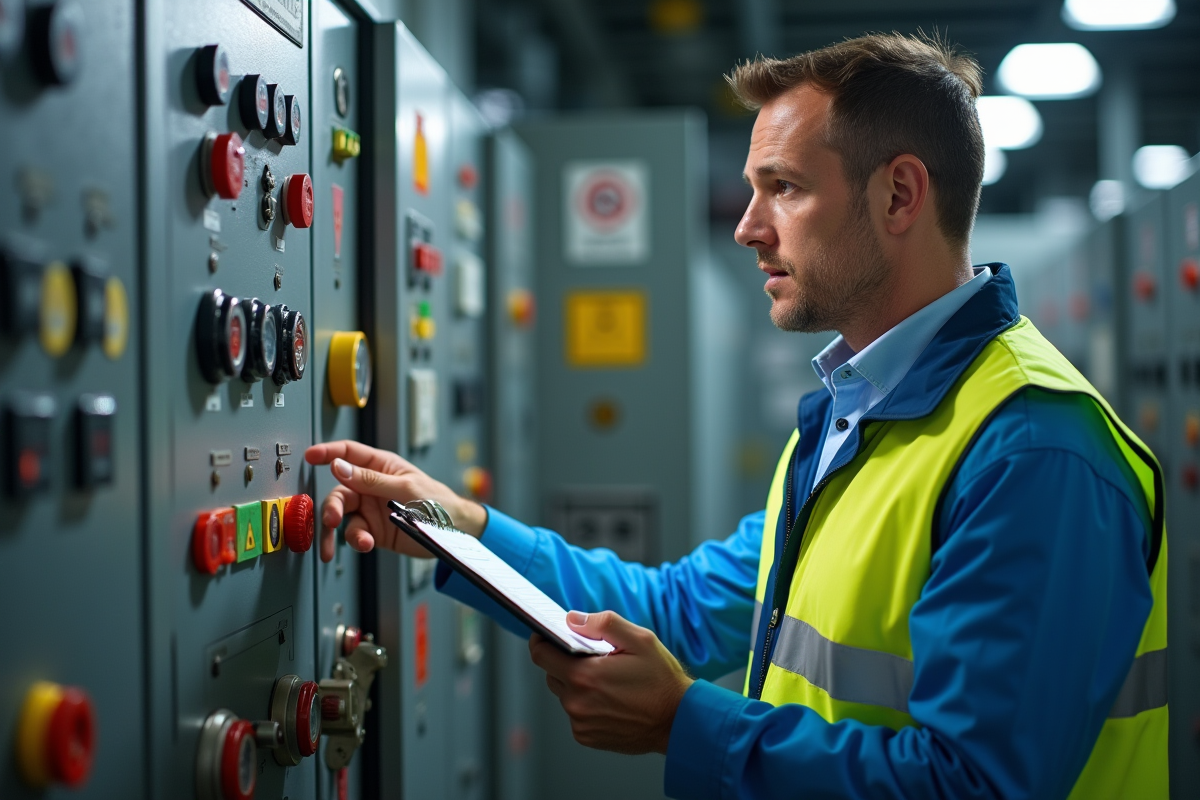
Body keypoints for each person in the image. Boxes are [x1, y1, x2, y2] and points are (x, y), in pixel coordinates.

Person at [305, 33, 1166, 800]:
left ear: (900, 195)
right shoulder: (850, 417)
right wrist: (459, 529)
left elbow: (973, 782)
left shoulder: (1035, 452)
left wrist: (687, 725)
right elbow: (678, 607)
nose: (748, 228)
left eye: (782, 188)